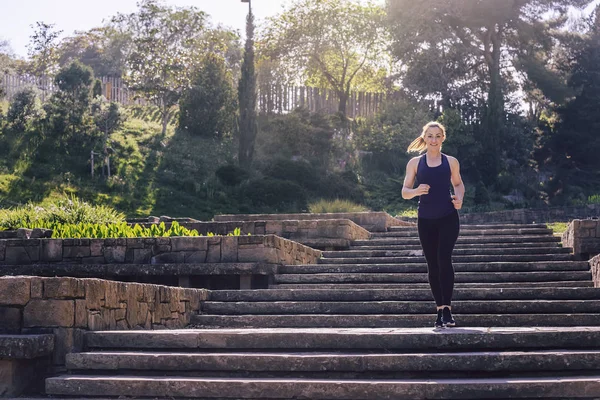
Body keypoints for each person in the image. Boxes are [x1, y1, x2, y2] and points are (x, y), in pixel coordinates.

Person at [401, 122, 465, 328]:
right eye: (430, 136)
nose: (434, 140)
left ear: (443, 138)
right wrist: (416, 191)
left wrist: (460, 198)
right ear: (425, 137)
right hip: (426, 220)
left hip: (448, 216)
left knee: (444, 259)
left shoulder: (451, 162)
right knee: (433, 264)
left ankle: (448, 309)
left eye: (438, 136)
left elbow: (458, 183)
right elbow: (404, 191)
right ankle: (439, 310)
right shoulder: (415, 163)